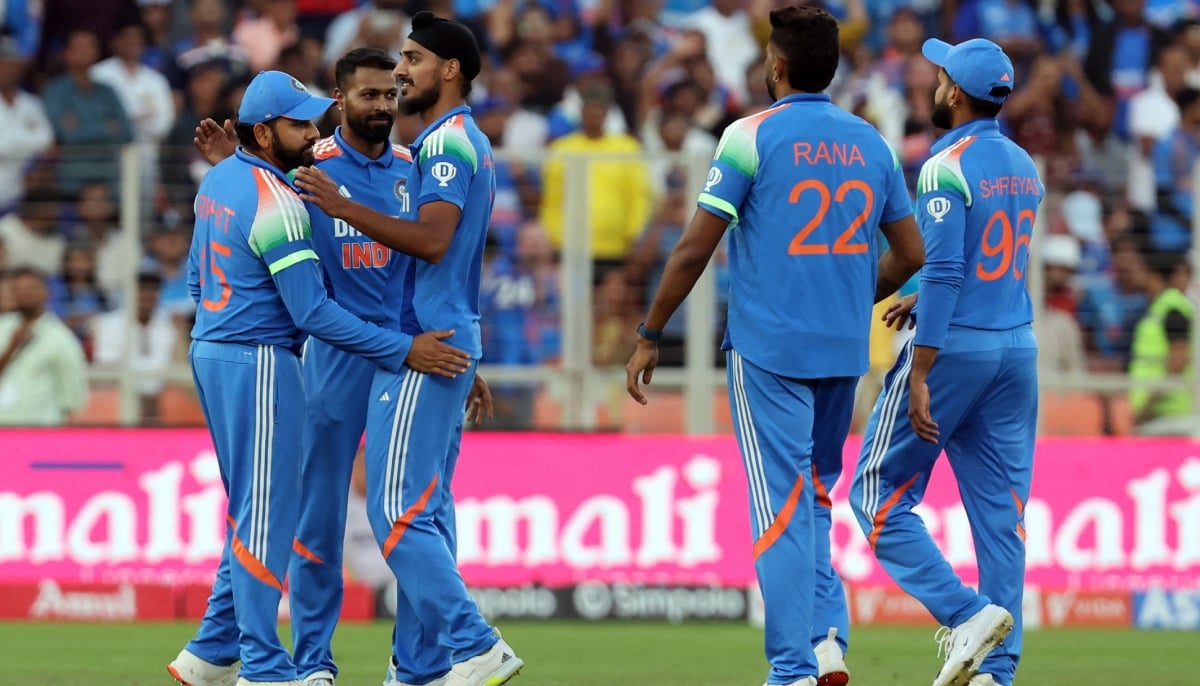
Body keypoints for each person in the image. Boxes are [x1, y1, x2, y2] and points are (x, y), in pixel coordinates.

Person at [623, 7, 925, 686]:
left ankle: (790, 668)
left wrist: (648, 333)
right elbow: (910, 252)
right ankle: (825, 644)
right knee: (814, 497)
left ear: (776, 66)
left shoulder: (747, 136)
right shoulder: (872, 142)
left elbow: (695, 245)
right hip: (844, 350)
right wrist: (853, 297)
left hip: (769, 349)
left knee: (780, 507)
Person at [166, 69, 472, 686]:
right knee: (275, 518)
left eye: (313, 120)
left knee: (256, 510)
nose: (313, 133)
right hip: (283, 357)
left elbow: (199, 284)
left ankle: (209, 652)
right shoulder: (284, 194)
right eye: (299, 123)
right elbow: (311, 310)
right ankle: (272, 665)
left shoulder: (220, 181)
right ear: (262, 131)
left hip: (219, 349)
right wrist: (403, 350)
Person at [295, 12, 524, 686]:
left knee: (407, 510)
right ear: (340, 100)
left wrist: (452, 348)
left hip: (412, 348)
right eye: (373, 88)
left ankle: (451, 652)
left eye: (405, 70)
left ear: (447, 71)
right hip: (352, 350)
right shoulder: (313, 169)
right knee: (326, 518)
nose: (393, 86)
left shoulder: (427, 153)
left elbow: (431, 244)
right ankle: (320, 664)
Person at [849, 38, 1043, 686]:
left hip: (954, 347)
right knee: (1001, 518)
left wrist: (923, 369)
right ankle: (998, 674)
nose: (933, 85)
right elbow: (986, 264)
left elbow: (954, 266)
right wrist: (915, 292)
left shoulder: (943, 165)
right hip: (1016, 349)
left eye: (939, 77)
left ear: (955, 92)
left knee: (876, 498)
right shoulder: (1025, 167)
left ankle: (965, 615)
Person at [0, 266, 88, 426]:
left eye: (31, 288)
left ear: (47, 292)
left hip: (40, 432)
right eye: (18, 289)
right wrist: (11, 348)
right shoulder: (3, 327)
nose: (25, 294)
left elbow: (72, 398)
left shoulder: (61, 338)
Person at [1128, 250, 1194, 435]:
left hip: (1170, 419)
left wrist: (1147, 407)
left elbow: (1179, 361)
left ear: (1153, 274)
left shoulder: (1172, 310)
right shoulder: (1157, 309)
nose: (1132, 274)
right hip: (1159, 417)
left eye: (1139, 269)